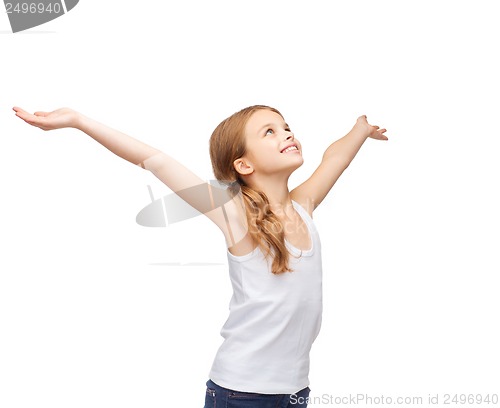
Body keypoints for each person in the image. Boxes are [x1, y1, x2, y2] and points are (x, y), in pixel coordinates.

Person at [13, 104, 388, 407]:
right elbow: (153, 159)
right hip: (241, 394)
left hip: (294, 392)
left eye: (286, 125)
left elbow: (335, 158)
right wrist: (79, 121)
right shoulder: (236, 215)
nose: (286, 132)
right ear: (244, 165)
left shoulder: (303, 205)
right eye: (269, 131)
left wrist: (360, 129)